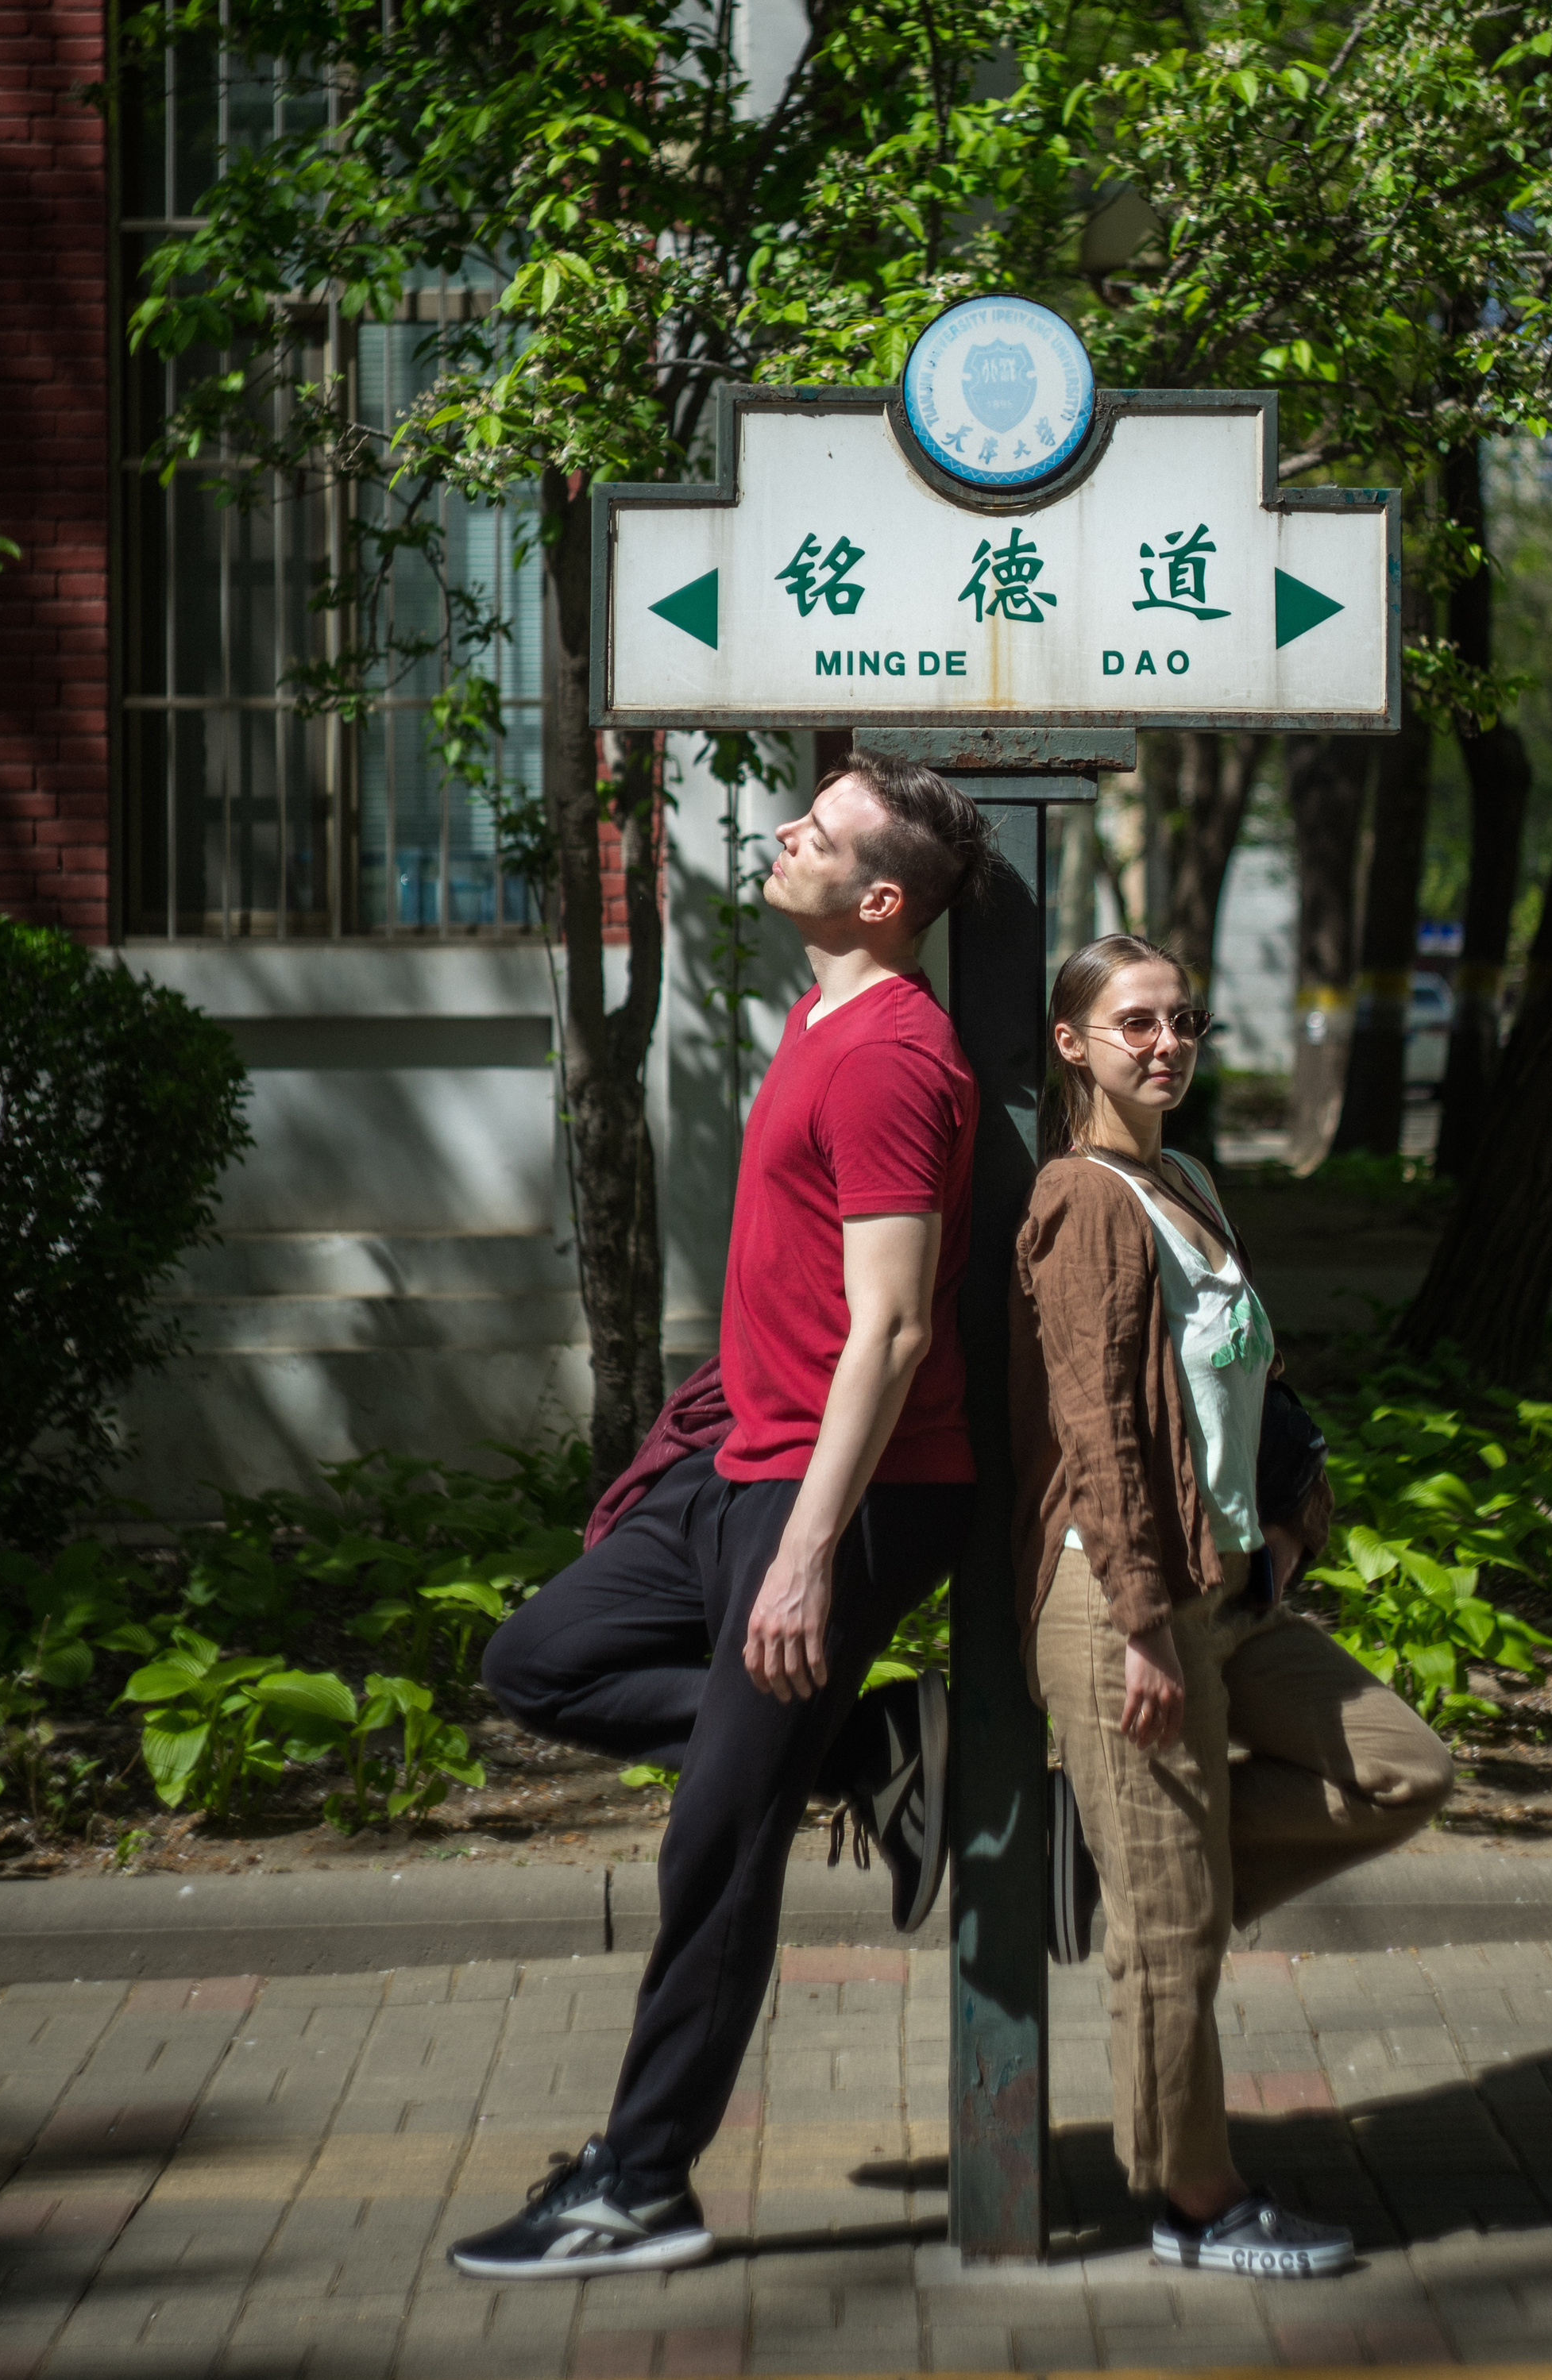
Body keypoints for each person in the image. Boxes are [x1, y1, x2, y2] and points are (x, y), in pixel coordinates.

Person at [450, 752, 994, 2281]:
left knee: (717, 1841)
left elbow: (888, 1331)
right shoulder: (817, 1017)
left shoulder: (893, 1054)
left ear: (880, 901)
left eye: (812, 833)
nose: (783, 837)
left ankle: (640, 2182)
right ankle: (878, 1743)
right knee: (537, 1659)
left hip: (849, 1490)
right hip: (734, 1462)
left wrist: (810, 1552)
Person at [1010, 932, 1454, 2279]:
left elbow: (1235, 1387)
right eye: (1133, 1023)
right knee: (1170, 1928)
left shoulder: (1187, 1179)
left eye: (1182, 1020)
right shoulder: (1081, 1200)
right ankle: (1193, 2202)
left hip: (1226, 1592)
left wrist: (1285, 1521)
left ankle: (1142, 1879)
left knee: (1403, 1766)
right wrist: (1143, 1616)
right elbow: (1096, 1424)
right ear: (1073, 1043)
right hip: (1118, 1601)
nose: (1165, 1043)